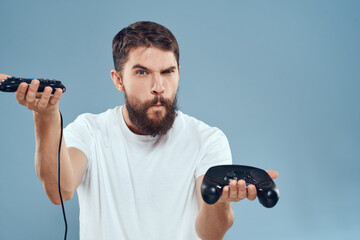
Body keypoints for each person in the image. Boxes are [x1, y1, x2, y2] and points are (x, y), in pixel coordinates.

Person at [1, 21, 278, 240]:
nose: (159, 86)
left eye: (168, 72)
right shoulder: (90, 131)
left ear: (179, 72)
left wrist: (220, 202)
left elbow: (210, 233)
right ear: (118, 80)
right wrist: (46, 115)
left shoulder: (207, 139)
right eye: (143, 73)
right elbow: (59, 190)